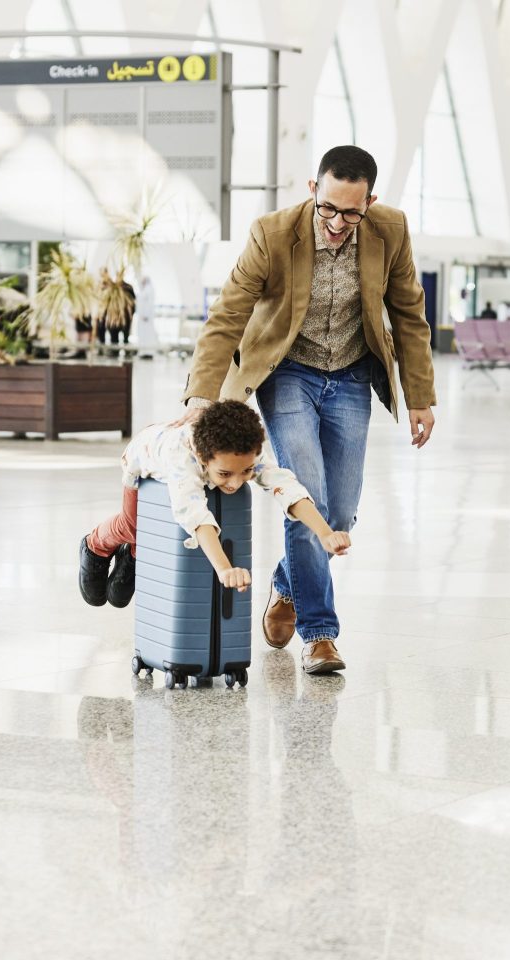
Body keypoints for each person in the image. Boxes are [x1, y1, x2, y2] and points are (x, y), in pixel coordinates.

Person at [174, 145, 437, 676]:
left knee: (337, 513)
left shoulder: (391, 230)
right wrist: (202, 394)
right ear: (314, 190)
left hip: (352, 374)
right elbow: (228, 313)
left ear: (371, 202)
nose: (339, 222)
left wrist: (420, 395)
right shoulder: (272, 233)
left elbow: (409, 314)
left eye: (352, 212)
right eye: (329, 209)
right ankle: (320, 635)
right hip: (287, 372)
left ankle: (287, 583)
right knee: (306, 492)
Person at [79, 400, 350, 616]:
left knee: (118, 595)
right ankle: (95, 545)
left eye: (245, 472)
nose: (235, 483)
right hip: (145, 456)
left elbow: (285, 486)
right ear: (203, 457)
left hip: (188, 459)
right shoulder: (182, 458)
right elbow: (195, 515)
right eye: (224, 474)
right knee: (133, 524)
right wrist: (224, 569)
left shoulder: (245, 452)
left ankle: (134, 553)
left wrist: (325, 533)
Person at [134, 274, 159, 359]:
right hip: (142, 319)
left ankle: (148, 352)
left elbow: (149, 305)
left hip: (146, 319)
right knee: (142, 335)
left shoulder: (149, 290)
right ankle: (143, 351)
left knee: (148, 336)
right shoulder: (144, 290)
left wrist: (146, 315)